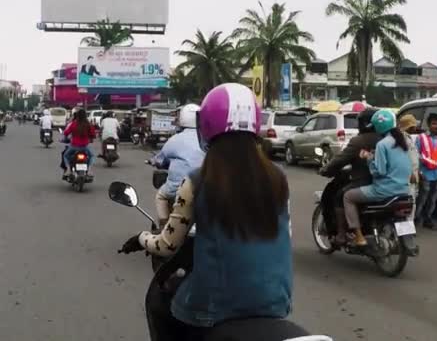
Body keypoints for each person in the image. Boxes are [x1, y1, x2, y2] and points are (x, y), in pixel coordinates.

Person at [119, 83, 292, 340]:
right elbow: (286, 234)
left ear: (207, 124)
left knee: (166, 301)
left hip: (213, 306)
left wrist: (142, 238)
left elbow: (167, 246)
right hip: (276, 302)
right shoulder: (278, 178)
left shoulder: (198, 181)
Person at [343, 110, 412, 246]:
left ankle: (359, 236)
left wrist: (368, 158)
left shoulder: (382, 144)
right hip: (404, 189)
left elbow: (379, 172)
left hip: (384, 190)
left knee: (348, 196)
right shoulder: (402, 142)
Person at [319, 108, 381, 245]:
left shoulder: (359, 141)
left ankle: (342, 234)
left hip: (365, 182)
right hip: (389, 182)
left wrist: (325, 169)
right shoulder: (388, 139)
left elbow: (341, 159)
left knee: (341, 196)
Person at [149, 104, 206, 227]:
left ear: (182, 119)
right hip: (206, 188)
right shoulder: (207, 139)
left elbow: (160, 159)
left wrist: (153, 161)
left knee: (161, 196)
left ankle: (163, 227)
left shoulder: (175, 139)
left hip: (177, 189)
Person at [415, 113, 437, 230]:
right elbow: (416, 154)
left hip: (436, 173)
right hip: (425, 173)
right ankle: (415, 219)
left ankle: (428, 219)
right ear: (428, 125)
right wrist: (419, 172)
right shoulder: (421, 138)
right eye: (433, 124)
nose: (435, 126)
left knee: (432, 199)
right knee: (422, 198)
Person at [62, 108, 96, 177]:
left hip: (74, 146)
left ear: (77, 116)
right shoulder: (88, 124)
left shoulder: (74, 124)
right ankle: (89, 169)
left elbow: (66, 132)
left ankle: (68, 169)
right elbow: (93, 135)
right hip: (84, 147)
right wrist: (91, 139)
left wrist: (64, 138)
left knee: (65, 155)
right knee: (92, 156)